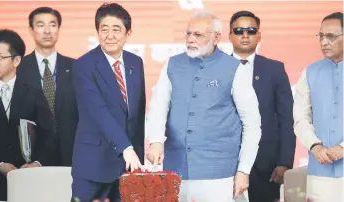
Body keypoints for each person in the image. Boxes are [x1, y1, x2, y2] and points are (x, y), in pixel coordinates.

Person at [145, 9, 261, 202]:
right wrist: (156, 140)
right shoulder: (172, 64)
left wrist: (243, 170)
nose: (190, 39)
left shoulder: (234, 69)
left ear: (215, 37)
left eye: (198, 35)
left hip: (220, 173)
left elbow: (252, 123)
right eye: (188, 33)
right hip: (176, 170)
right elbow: (158, 106)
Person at [71, 3, 146, 202]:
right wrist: (126, 148)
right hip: (93, 165)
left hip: (128, 166)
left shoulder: (135, 62)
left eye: (116, 29)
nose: (109, 35)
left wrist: (138, 155)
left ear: (128, 33)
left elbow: (136, 114)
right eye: (104, 29)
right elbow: (97, 111)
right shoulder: (83, 65)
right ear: (97, 32)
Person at [228, 11, 296, 202]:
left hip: (266, 164)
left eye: (251, 30)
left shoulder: (274, 69)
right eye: (239, 30)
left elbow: (286, 119)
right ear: (230, 34)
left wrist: (284, 162)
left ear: (259, 35)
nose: (245, 35)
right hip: (225, 162)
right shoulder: (216, 67)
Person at [0, 29, 56, 202]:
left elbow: (50, 136)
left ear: (16, 60)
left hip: (29, 182)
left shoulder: (34, 93)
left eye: (0, 57)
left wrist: (37, 163)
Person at [17, 6, 78, 166]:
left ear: (58, 28)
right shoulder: (18, 68)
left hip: (72, 155)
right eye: (40, 25)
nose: (47, 31)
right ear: (31, 30)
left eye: (52, 25)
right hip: (32, 158)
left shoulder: (76, 67)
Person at [294, 12, 343, 202]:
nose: (324, 42)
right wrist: (315, 147)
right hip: (320, 171)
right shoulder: (310, 72)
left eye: (331, 37)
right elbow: (300, 118)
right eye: (321, 36)